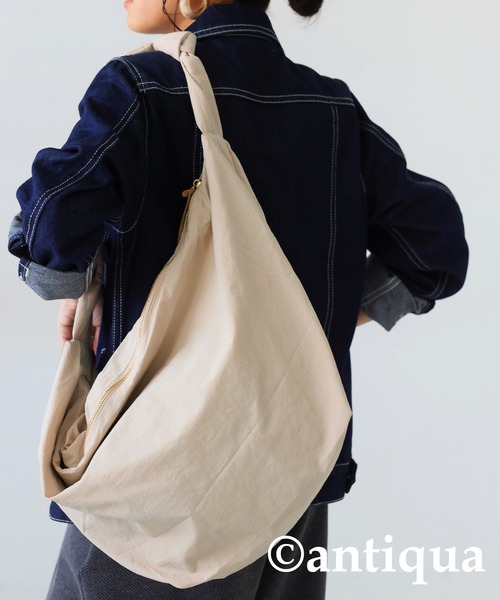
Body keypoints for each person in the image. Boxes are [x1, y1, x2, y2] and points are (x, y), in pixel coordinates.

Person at [7, 0, 468, 598]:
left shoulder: (142, 86)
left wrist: (71, 288)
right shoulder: (332, 109)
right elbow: (435, 246)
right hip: (291, 481)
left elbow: (52, 220)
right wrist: (326, 316)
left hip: (161, 480)